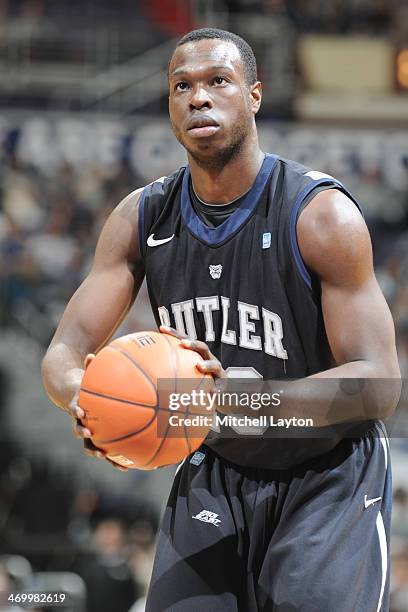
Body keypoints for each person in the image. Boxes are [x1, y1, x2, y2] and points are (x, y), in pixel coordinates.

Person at [42, 28, 401, 611]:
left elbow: (380, 384)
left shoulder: (320, 215)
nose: (198, 98)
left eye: (218, 82)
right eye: (181, 86)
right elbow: (63, 353)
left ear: (254, 95)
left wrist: (235, 402)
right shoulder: (142, 216)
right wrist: (87, 400)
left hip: (327, 476)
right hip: (217, 466)